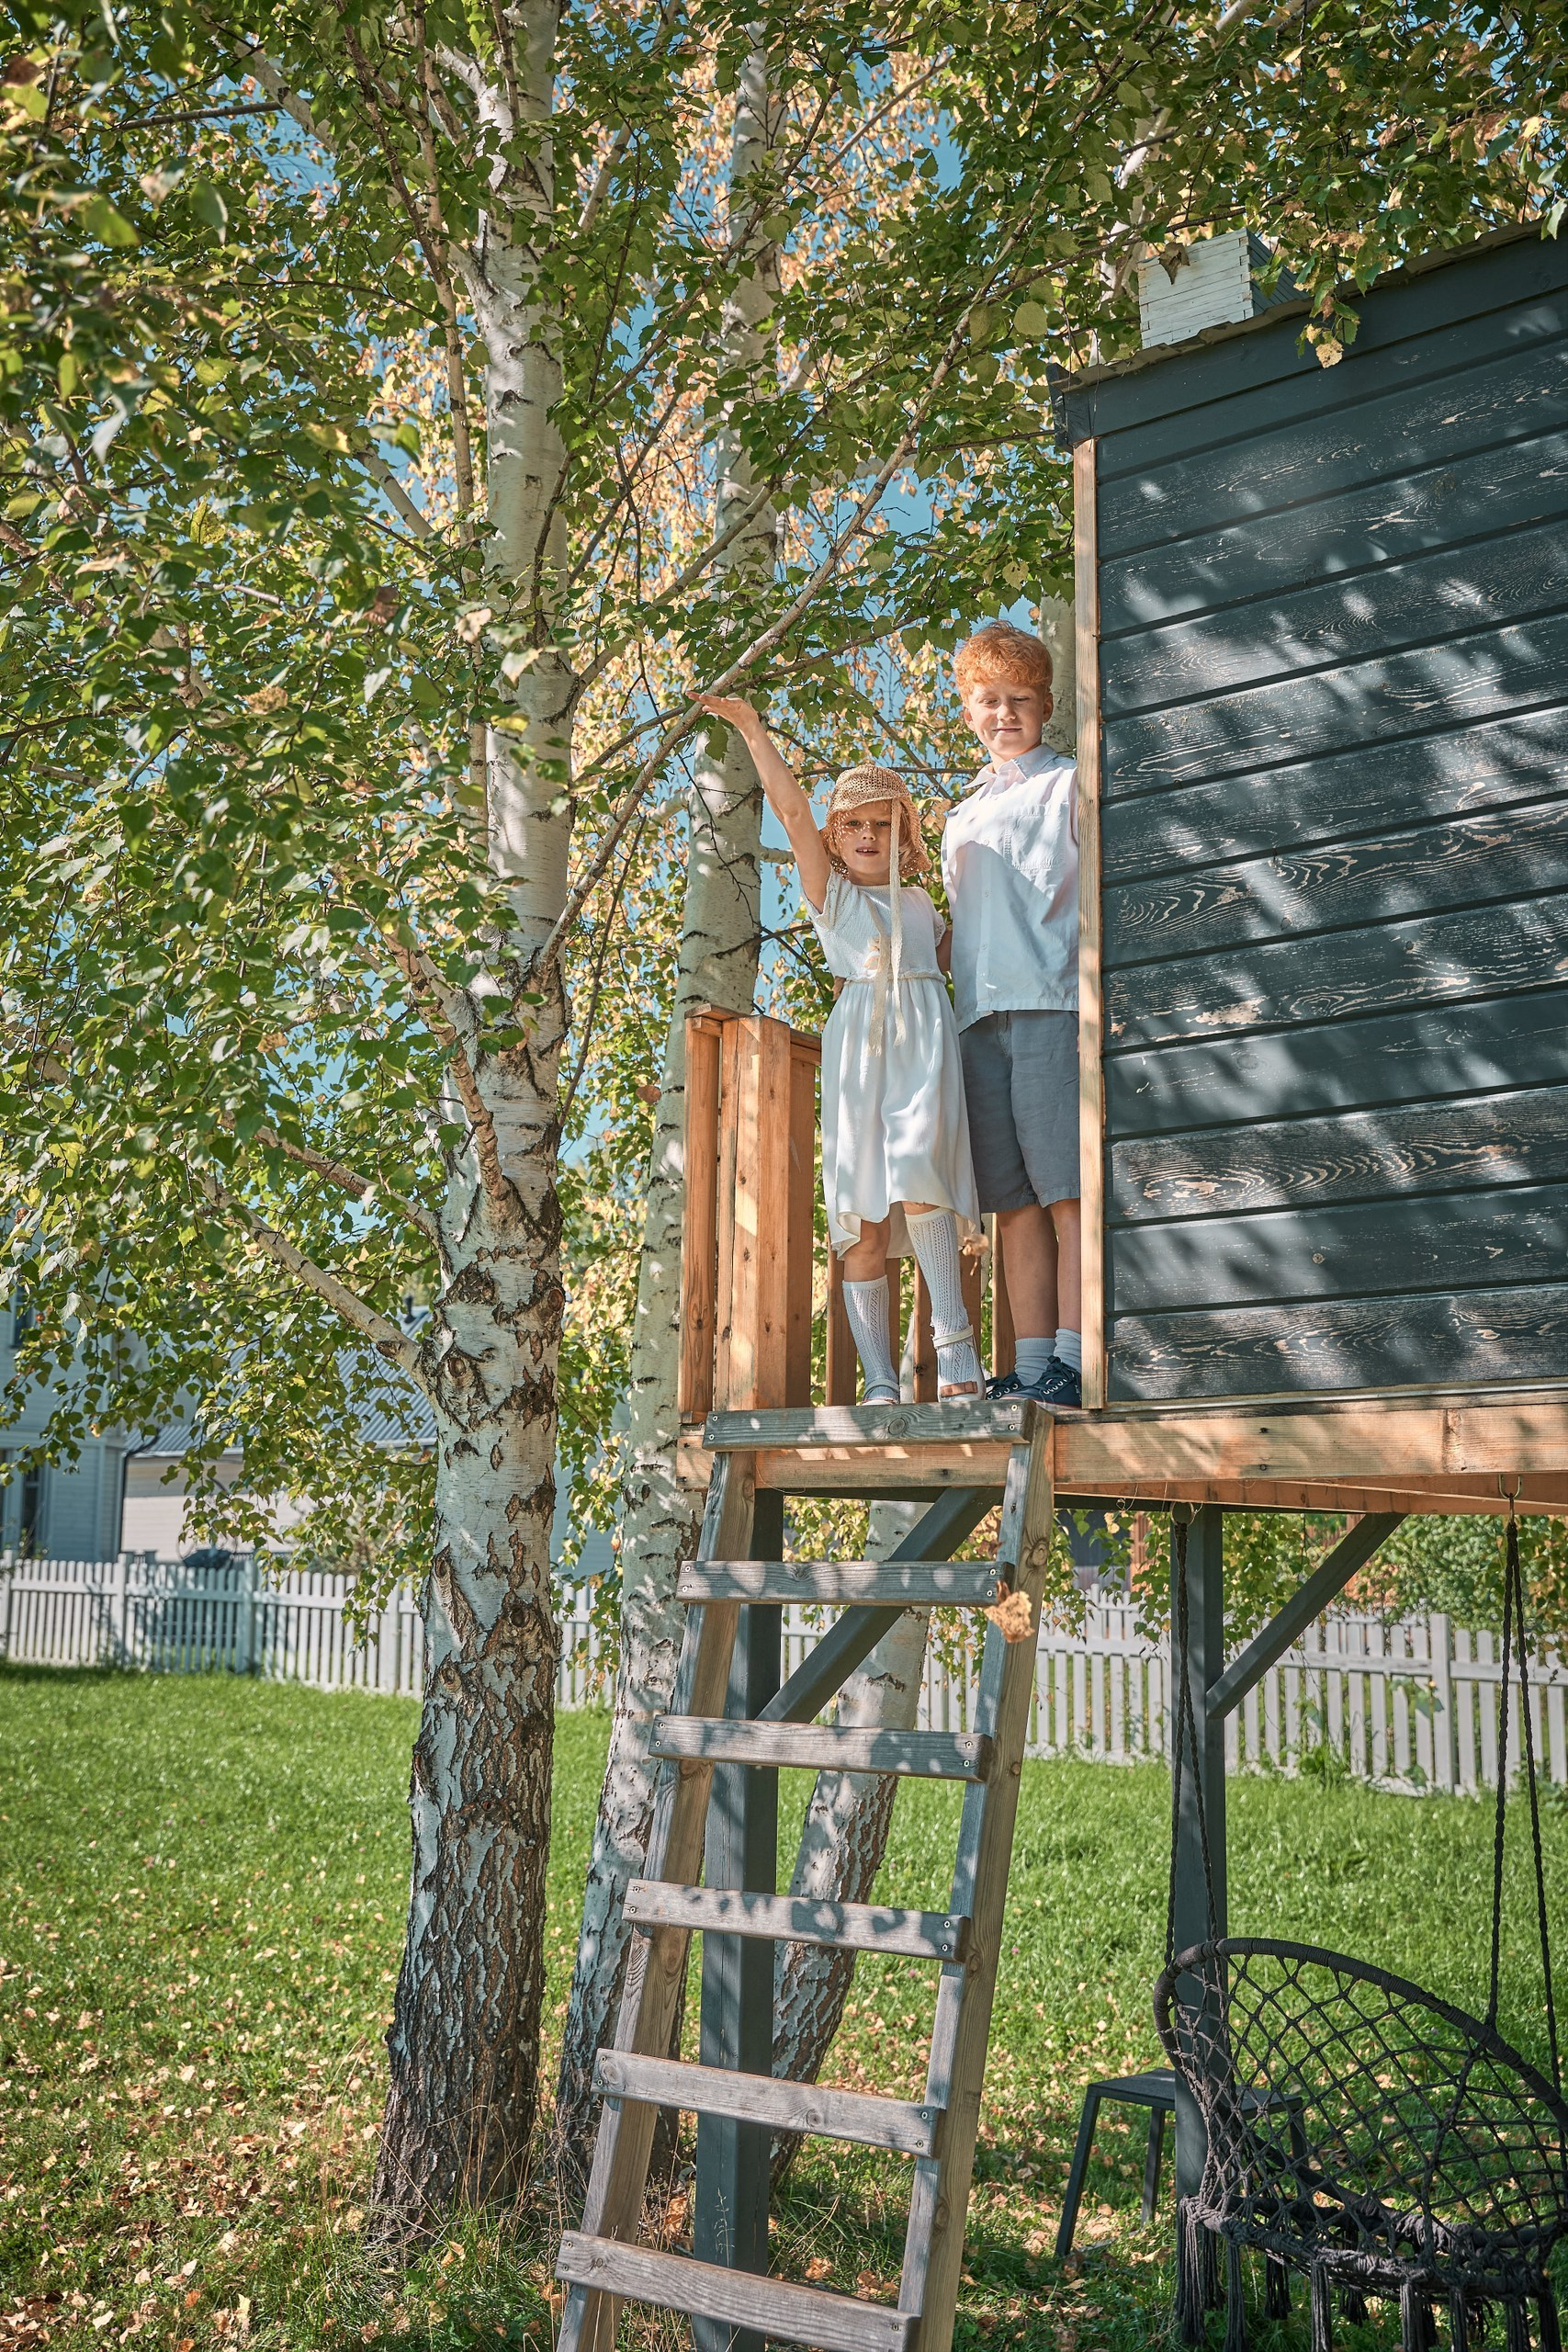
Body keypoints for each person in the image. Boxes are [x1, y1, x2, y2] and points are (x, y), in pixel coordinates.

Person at [697, 695, 984, 1404]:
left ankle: (954, 1350)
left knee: (923, 1178)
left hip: (924, 1041)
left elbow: (971, 952)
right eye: (852, 823)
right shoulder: (833, 896)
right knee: (863, 1219)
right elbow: (793, 814)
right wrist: (752, 730)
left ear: (902, 832)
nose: (866, 835)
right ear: (835, 835)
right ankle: (879, 1380)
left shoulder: (922, 904)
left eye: (881, 823)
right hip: (861, 1048)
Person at [940, 620, 1082, 1408]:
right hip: (977, 1017)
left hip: (1048, 1000)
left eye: (1020, 699)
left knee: (1064, 1189)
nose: (1004, 714)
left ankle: (1074, 1359)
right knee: (1014, 1204)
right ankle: (1031, 1369)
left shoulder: (1068, 785)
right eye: (988, 700)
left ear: (1045, 706)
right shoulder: (960, 815)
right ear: (968, 711)